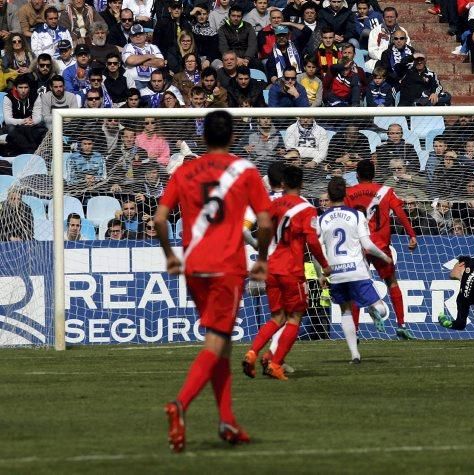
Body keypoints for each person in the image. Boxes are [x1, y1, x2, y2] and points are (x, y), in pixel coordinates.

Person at [158, 110, 273, 453]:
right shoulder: (246, 171)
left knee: (221, 343)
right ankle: (179, 405)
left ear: (204, 137)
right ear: (233, 136)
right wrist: (264, 258)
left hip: (194, 267)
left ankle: (227, 420)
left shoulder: (184, 170)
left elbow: (161, 218)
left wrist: (169, 255)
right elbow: (265, 223)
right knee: (217, 341)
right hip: (226, 266)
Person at [243, 165, 330, 381]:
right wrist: (324, 265)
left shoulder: (272, 204)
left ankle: (252, 353)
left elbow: (262, 230)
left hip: (271, 266)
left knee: (277, 317)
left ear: (283, 183)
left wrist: (261, 257)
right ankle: (275, 363)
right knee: (295, 317)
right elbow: (312, 240)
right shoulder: (306, 208)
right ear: (301, 183)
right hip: (291, 269)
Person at [318, 177, 393, 363]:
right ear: (345, 193)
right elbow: (367, 244)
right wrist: (384, 257)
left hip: (336, 273)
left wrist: (321, 271)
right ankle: (372, 311)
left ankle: (355, 355)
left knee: (345, 311)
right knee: (382, 311)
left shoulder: (321, 219)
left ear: (328, 195)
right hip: (357, 271)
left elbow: (316, 249)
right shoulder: (356, 215)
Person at [345, 159, 418, 339]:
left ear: (357, 175)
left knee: (356, 287)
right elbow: (400, 213)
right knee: (392, 283)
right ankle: (401, 324)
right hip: (381, 247)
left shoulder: (348, 193)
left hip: (359, 246)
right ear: (374, 174)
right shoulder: (386, 191)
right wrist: (411, 235)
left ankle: (354, 331)